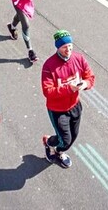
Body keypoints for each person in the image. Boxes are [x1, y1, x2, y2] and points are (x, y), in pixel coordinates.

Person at [41, 30, 95, 169]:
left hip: (75, 105)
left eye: (70, 46)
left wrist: (85, 84)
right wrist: (68, 89)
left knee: (73, 136)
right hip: (58, 111)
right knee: (65, 140)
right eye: (65, 47)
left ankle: (58, 150)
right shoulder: (49, 66)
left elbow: (90, 76)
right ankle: (50, 144)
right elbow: (48, 91)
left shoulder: (79, 58)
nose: (68, 50)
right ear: (58, 47)